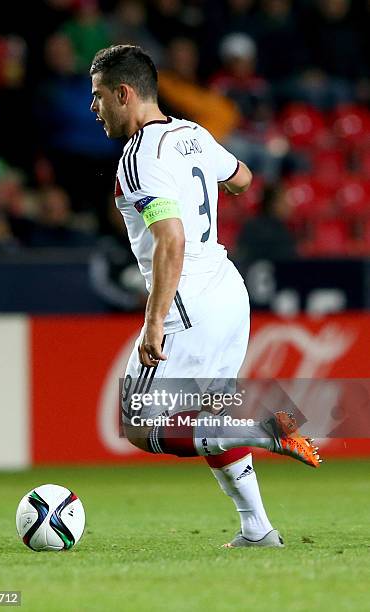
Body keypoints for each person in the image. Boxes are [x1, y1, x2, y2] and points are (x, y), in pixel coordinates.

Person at [89, 45, 320, 549]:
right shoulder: (193, 133)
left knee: (136, 425)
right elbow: (242, 177)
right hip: (228, 290)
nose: (95, 108)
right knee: (209, 418)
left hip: (185, 300)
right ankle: (258, 529)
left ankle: (265, 433)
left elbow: (170, 239)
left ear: (124, 93)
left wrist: (154, 323)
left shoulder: (136, 158)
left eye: (99, 96)